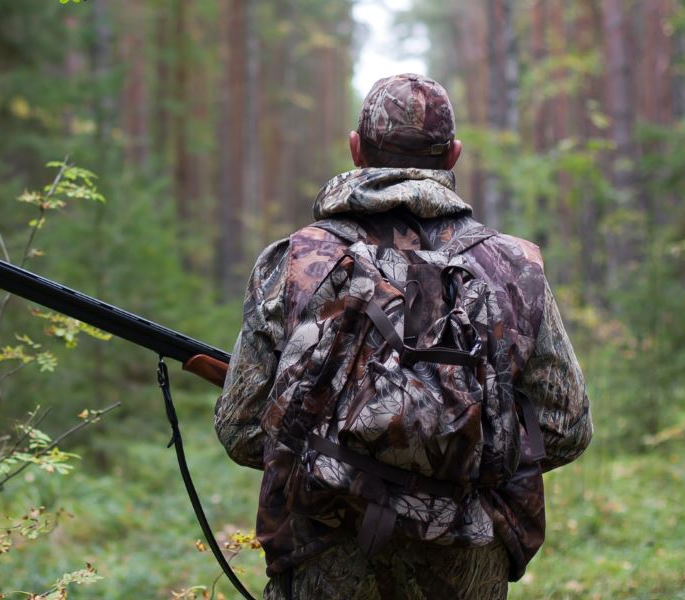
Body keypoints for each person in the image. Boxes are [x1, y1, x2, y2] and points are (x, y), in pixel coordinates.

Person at [213, 73, 593, 599]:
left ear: (356, 150)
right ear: (453, 156)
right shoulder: (512, 266)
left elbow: (241, 429)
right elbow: (566, 427)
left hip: (326, 552)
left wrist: (342, 462)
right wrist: (462, 459)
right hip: (468, 562)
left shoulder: (298, 260)